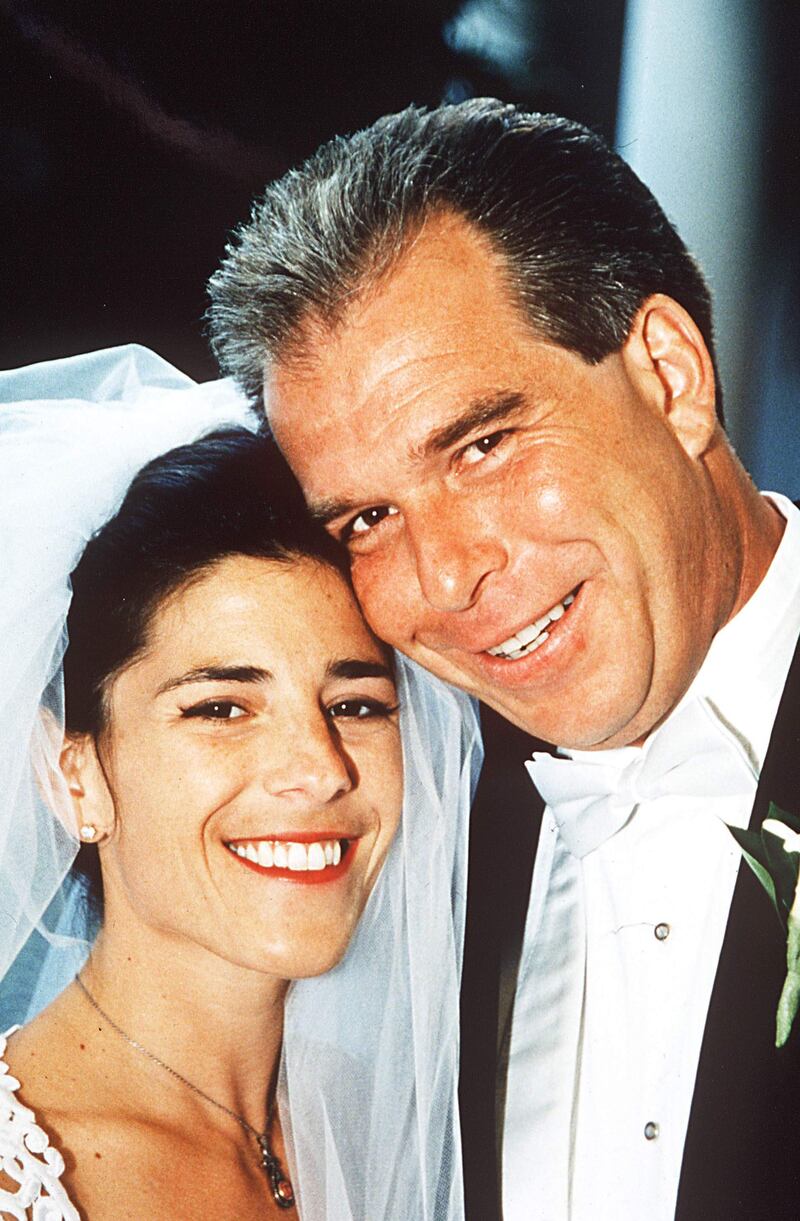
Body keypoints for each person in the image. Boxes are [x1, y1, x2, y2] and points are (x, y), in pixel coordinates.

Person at [207, 99, 800, 1220]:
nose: (443, 579)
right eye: (365, 520)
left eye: (479, 445)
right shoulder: (388, 864)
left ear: (668, 376)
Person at [0, 346, 479, 1220]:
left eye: (357, 703)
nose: (318, 768)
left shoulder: (423, 1126)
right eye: (221, 707)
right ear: (75, 775)